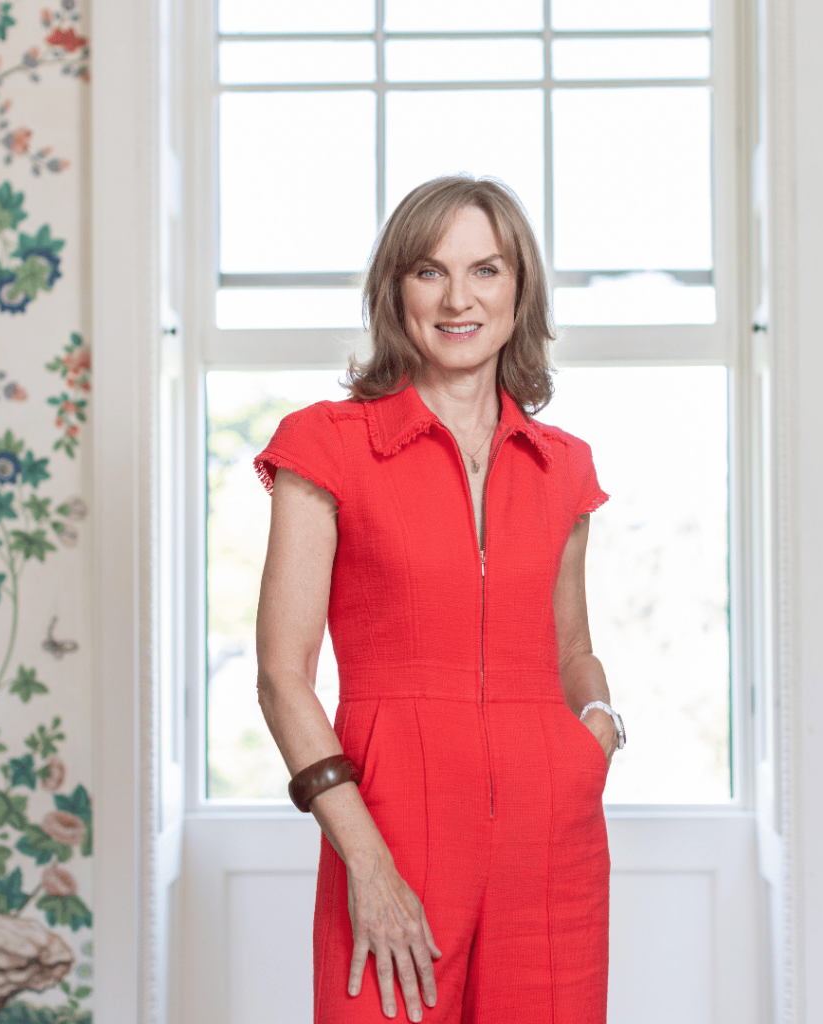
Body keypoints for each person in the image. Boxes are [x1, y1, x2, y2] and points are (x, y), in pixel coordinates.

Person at [254, 175, 626, 1024]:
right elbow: (282, 677)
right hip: (393, 828)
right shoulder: (326, 446)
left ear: (519, 287)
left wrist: (597, 726)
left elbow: (570, 647)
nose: (459, 298)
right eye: (429, 271)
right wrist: (369, 867)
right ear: (396, 291)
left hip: (552, 839)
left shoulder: (565, 464)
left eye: (486, 270)